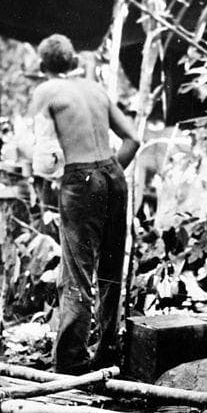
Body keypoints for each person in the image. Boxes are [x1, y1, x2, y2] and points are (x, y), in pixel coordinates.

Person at [28, 34, 140, 374]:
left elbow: (43, 154)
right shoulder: (95, 89)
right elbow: (133, 138)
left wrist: (58, 177)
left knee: (77, 274)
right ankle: (108, 351)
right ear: (73, 61)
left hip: (81, 179)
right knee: (109, 270)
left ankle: (71, 363)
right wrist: (109, 171)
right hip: (113, 175)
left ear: (42, 65)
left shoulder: (45, 92)